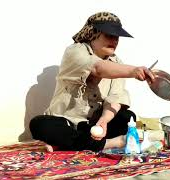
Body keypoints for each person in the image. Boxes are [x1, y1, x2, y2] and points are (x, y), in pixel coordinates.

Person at [29, 11, 155, 152]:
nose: (114, 40)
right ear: (93, 33)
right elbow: (98, 68)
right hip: (66, 122)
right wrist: (133, 71)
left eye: (117, 37)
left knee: (127, 117)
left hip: (93, 125)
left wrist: (104, 120)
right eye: (109, 35)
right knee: (39, 125)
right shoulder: (75, 51)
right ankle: (110, 143)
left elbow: (115, 98)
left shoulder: (117, 63)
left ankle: (67, 144)